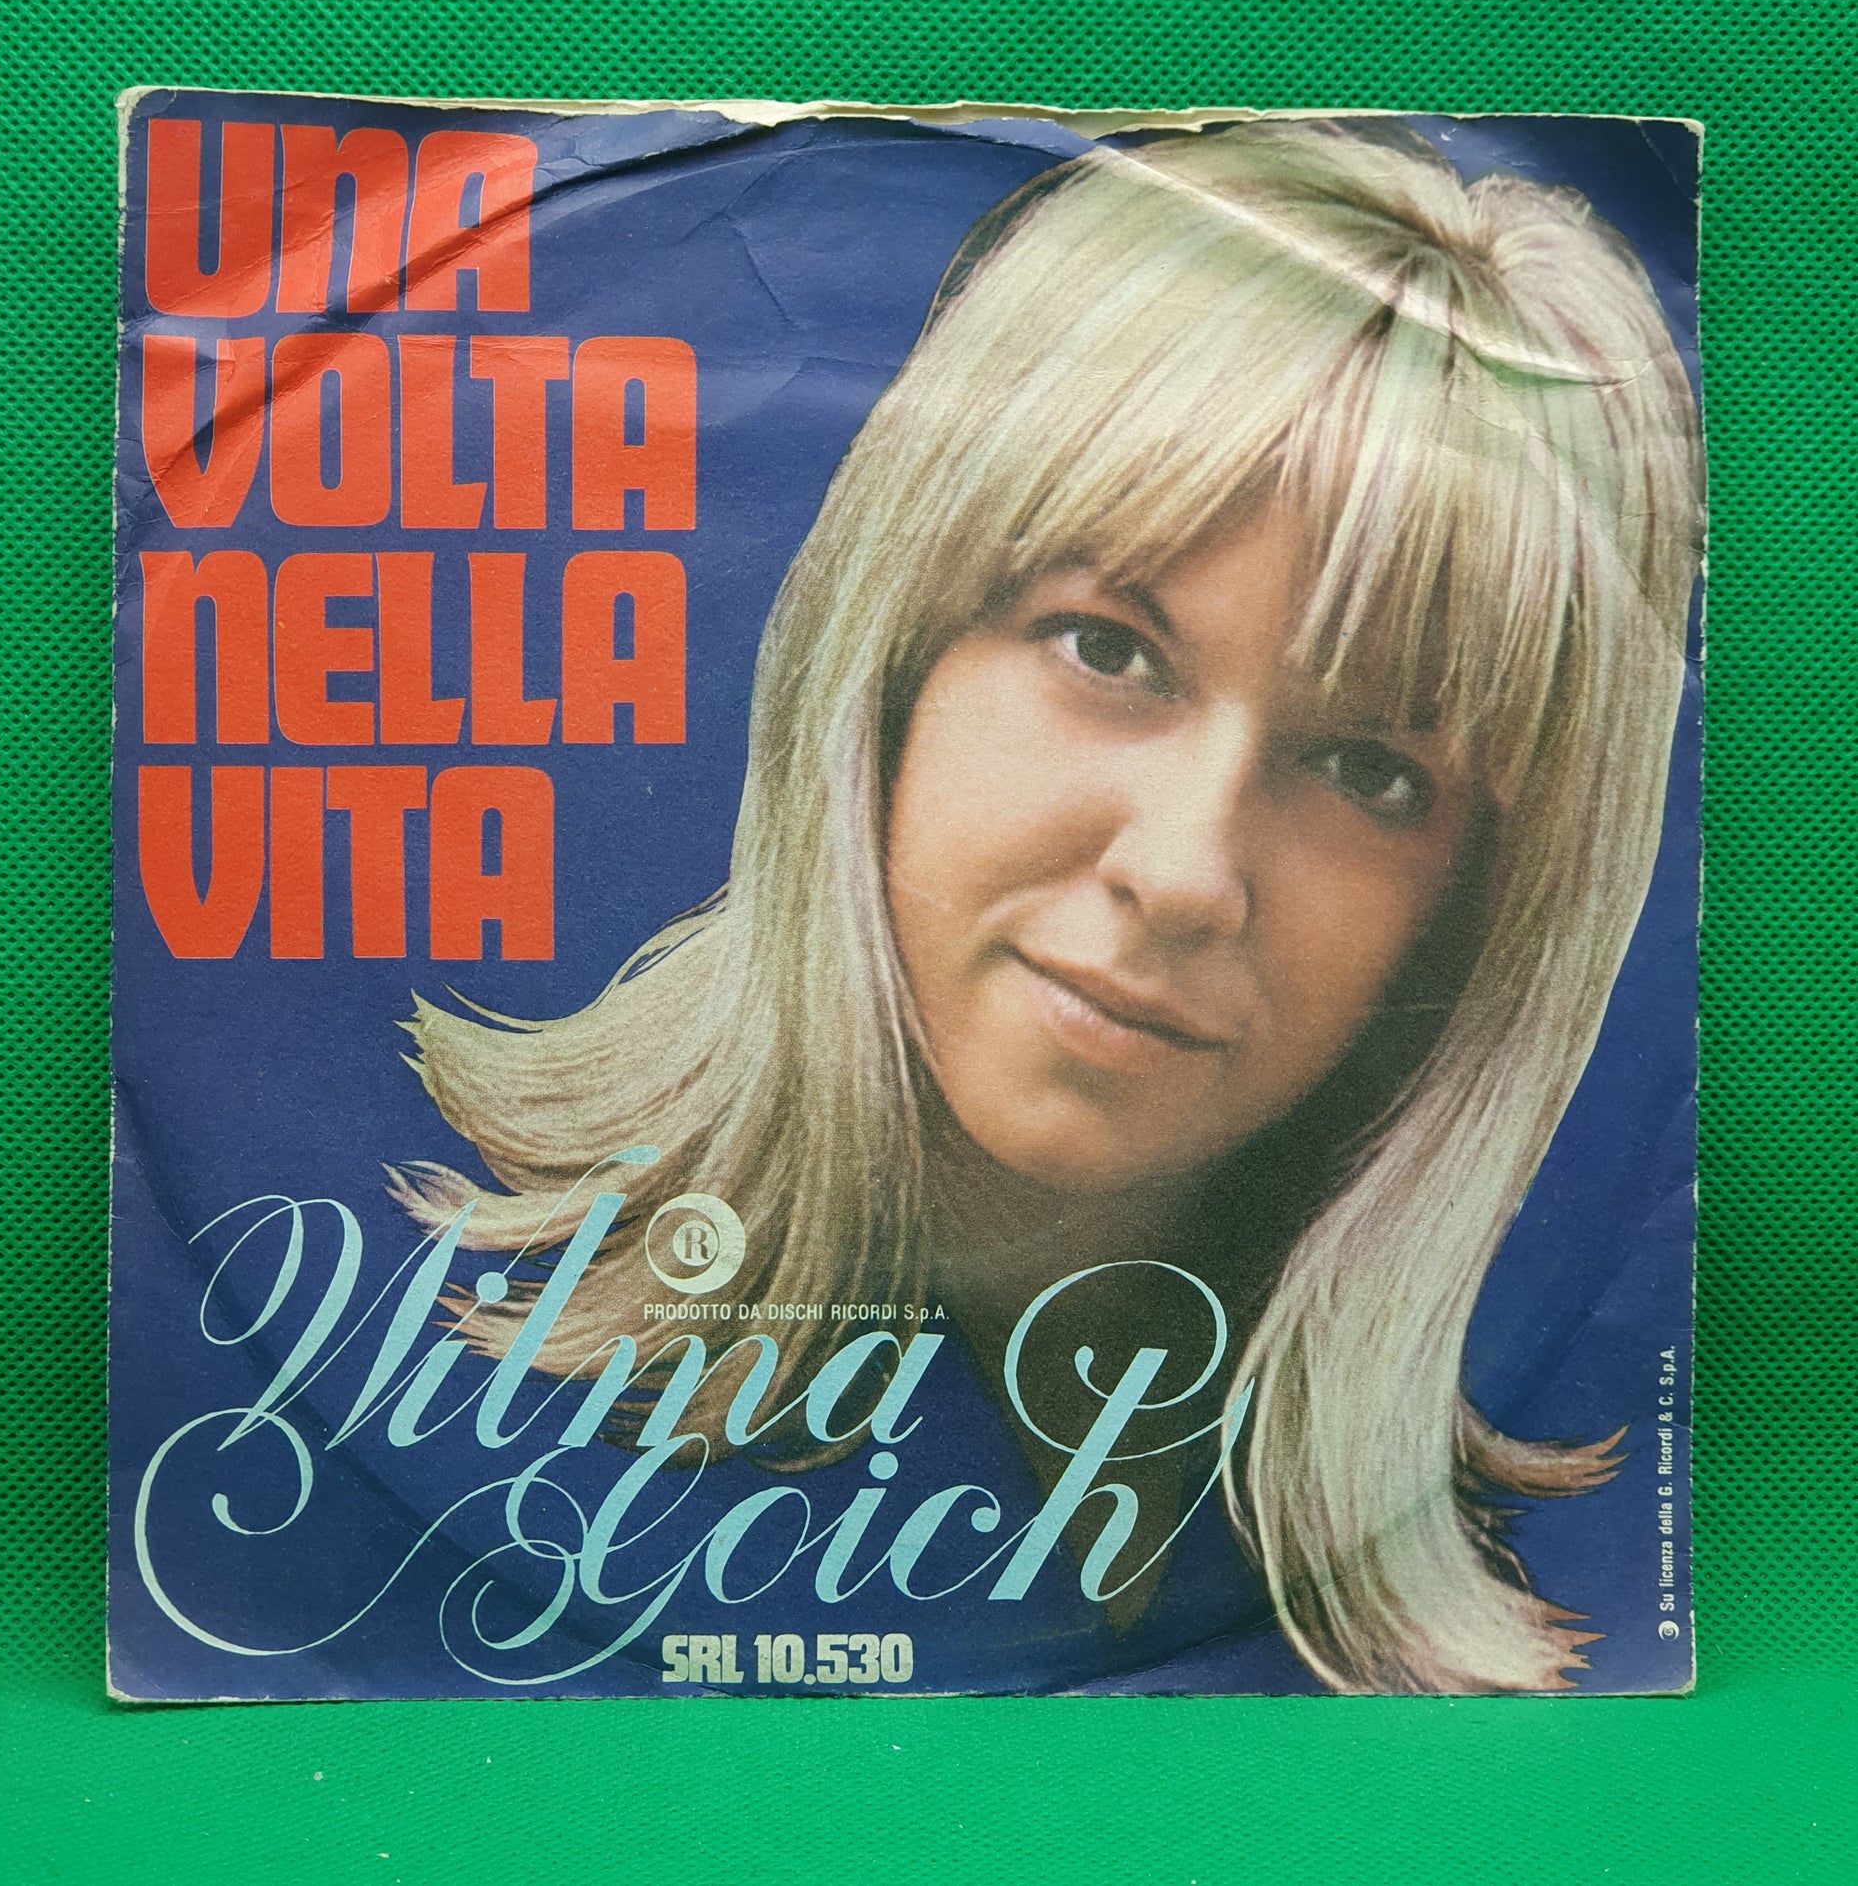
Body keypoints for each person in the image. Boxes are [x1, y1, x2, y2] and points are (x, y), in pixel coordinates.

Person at [392, 119, 1704, 1694]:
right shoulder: (425, 1320)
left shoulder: (1527, 1533)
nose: (1186, 871)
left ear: (1486, 908)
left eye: (1369, 769)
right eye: (1107, 648)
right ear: (891, 653)